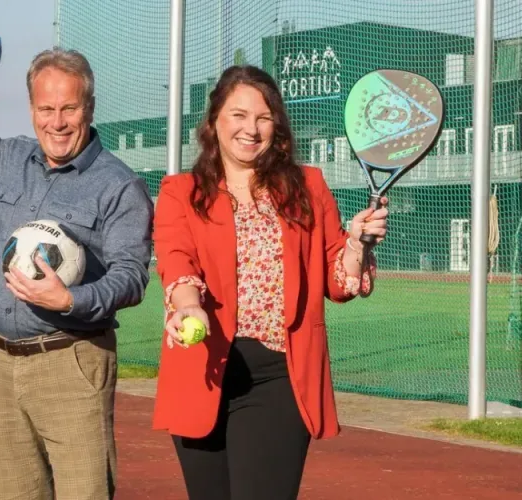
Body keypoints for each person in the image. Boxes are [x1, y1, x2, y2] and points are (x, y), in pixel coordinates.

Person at [0, 37, 153, 500]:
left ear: (89, 107)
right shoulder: (7, 159)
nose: (57, 122)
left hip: (72, 359)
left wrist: (71, 299)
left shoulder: (118, 185)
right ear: (32, 108)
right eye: (45, 108)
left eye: (69, 108)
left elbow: (131, 276)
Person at [150, 65, 384, 500]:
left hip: (279, 377)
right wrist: (186, 304)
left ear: (276, 125)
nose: (250, 129)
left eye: (263, 117)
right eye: (238, 115)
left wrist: (355, 243)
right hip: (202, 372)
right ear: (214, 121)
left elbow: (339, 280)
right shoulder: (179, 192)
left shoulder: (308, 186)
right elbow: (176, 258)